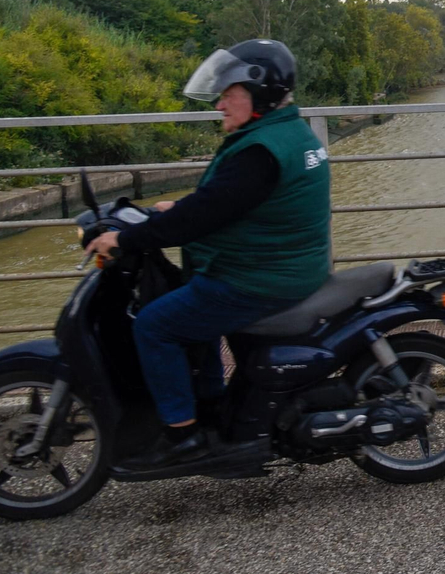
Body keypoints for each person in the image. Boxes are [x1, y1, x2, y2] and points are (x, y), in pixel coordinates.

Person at [85, 39, 332, 468]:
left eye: (228, 93)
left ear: (259, 92)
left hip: (258, 279)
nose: (220, 104)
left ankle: (182, 436)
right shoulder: (286, 133)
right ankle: (212, 404)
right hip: (282, 266)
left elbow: (203, 217)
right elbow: (226, 202)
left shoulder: (259, 151)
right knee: (192, 315)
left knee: (155, 325)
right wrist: (178, 208)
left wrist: (123, 241)